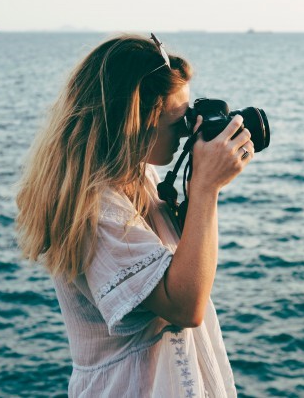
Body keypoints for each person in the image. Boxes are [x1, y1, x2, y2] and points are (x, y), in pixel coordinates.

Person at [15, 33, 254, 397]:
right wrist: (206, 190)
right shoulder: (95, 210)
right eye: (177, 119)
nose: (188, 129)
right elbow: (184, 306)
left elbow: (182, 265)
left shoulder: (138, 177)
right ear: (134, 122)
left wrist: (198, 186)